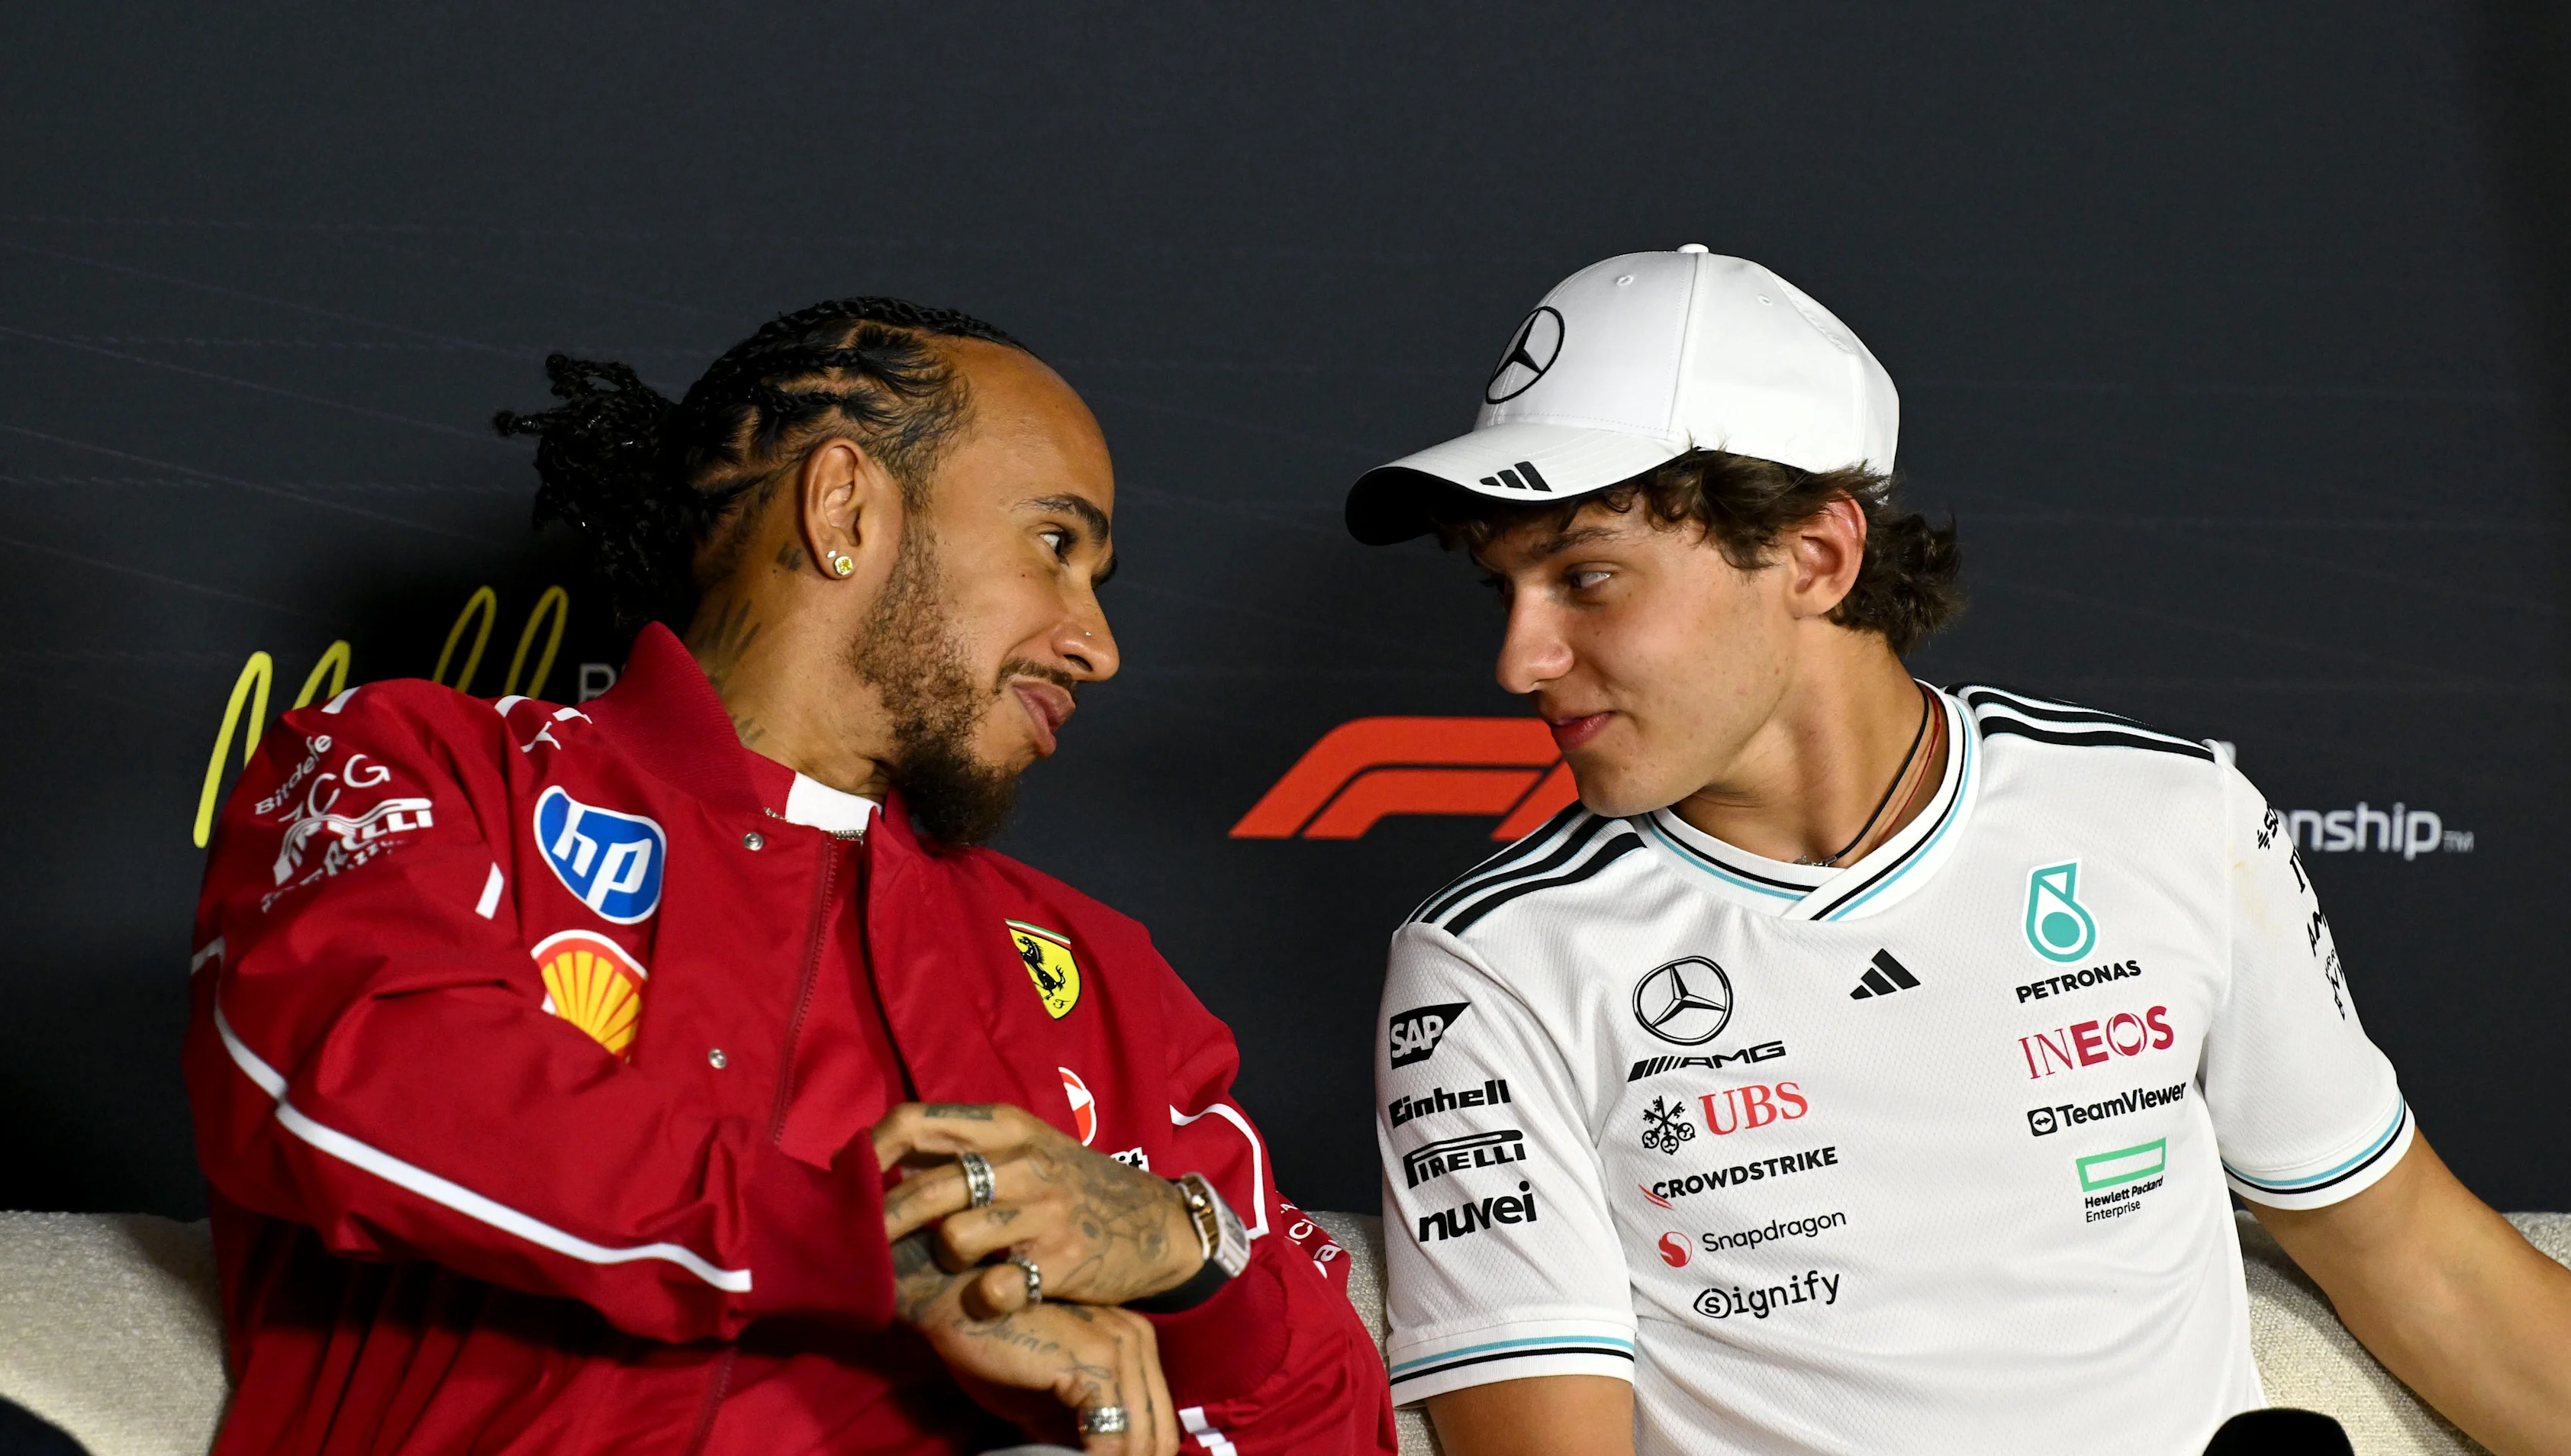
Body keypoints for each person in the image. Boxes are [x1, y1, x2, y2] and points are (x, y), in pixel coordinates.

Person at [1346, 247, 2571, 1455]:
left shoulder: (2170, 815)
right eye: (1503, 591)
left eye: (1588, 578)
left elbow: (2420, 1261)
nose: (1518, 662)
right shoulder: (1492, 966)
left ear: (1818, 557)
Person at [185, 298, 1391, 1456]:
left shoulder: (1095, 974)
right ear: (844, 506)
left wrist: (1191, 1262)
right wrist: (882, 1249)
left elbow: (1328, 1415)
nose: (1098, 644)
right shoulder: (429, 769)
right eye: (1055, 545)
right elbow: (372, 1085)